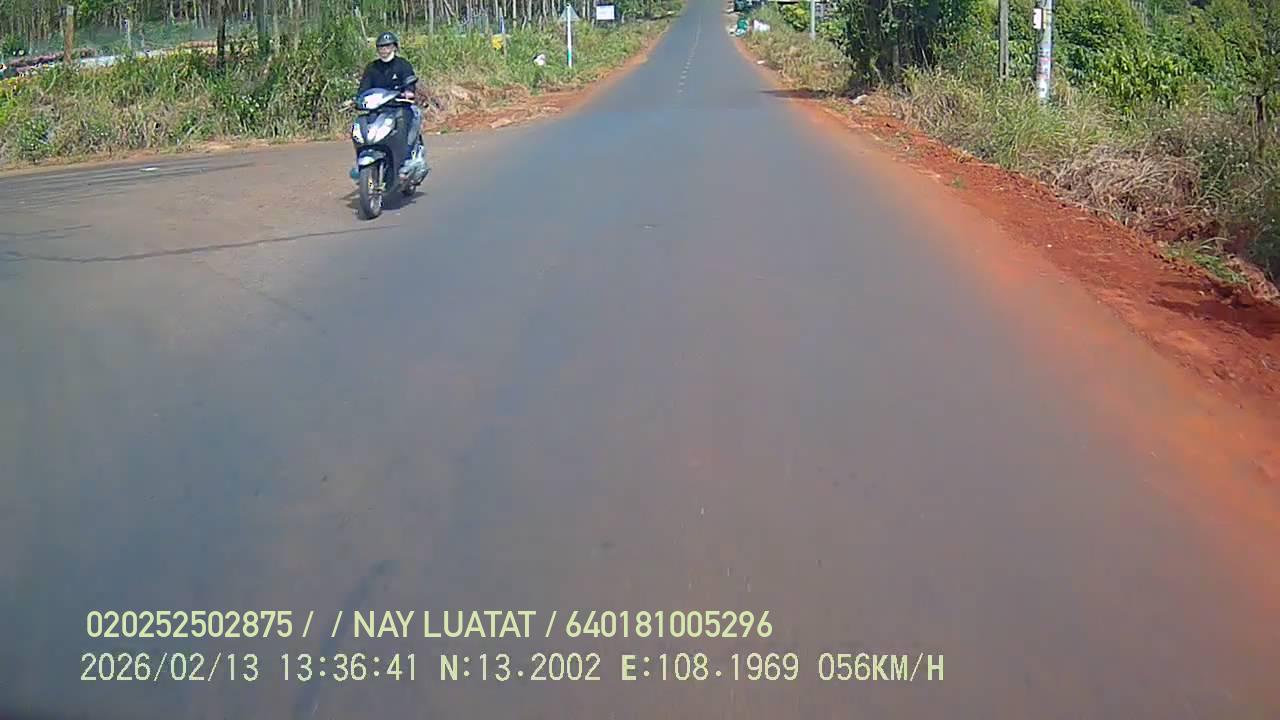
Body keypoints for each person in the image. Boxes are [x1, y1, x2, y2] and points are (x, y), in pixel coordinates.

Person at [357, 31, 426, 174]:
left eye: (387, 46)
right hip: (377, 109)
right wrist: (356, 99)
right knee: (361, 126)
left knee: (402, 122)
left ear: (394, 47)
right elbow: (363, 88)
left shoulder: (402, 65)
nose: (384, 50)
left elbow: (409, 82)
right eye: (381, 47)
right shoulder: (372, 67)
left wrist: (408, 92)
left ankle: (405, 160)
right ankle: (362, 159)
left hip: (399, 107)